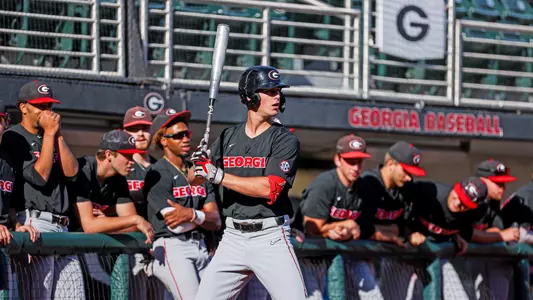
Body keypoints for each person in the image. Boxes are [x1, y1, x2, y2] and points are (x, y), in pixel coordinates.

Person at [190, 66, 307, 300]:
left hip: (270, 236)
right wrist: (198, 163)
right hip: (232, 237)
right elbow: (193, 179)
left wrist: (217, 175)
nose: (277, 97)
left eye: (278, 91)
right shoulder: (227, 137)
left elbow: (269, 189)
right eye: (269, 91)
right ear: (250, 96)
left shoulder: (285, 139)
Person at [1, 80, 85, 299]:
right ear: (23, 107)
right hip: (34, 223)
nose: (46, 111)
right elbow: (39, 177)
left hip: (63, 228)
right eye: (40, 105)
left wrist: (56, 134)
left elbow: (73, 173)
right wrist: (49, 134)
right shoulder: (14, 136)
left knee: (75, 295)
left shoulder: (51, 134)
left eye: (49, 105)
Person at [144, 108, 221, 300]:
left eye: (187, 134)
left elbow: (216, 220)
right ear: (163, 140)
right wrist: (200, 215)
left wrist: (191, 214)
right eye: (178, 135)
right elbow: (175, 224)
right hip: (173, 247)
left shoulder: (197, 172)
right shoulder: (157, 172)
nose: (185, 139)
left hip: (201, 245)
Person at [300, 134, 388, 300]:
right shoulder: (325, 184)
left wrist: (352, 230)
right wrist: (341, 226)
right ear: (338, 160)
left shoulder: (364, 188)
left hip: (343, 255)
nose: (355, 167)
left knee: (373, 296)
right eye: (350, 161)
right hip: (309, 258)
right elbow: (311, 228)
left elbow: (364, 229)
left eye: (359, 161)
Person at [405, 176, 489, 300]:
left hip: (438, 257)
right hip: (405, 254)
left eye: (464, 204)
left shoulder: (476, 212)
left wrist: (457, 236)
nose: (457, 204)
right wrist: (408, 232)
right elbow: (400, 205)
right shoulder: (429, 192)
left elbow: (463, 229)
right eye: (457, 196)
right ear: (455, 187)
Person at [72, 129, 154, 241]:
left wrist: (105, 224)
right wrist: (135, 219)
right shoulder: (84, 169)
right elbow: (90, 226)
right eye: (127, 156)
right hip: (59, 237)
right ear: (109, 155)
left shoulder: (119, 178)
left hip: (85, 244)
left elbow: (133, 227)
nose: (132, 161)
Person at [121, 106, 162, 300]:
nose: (140, 134)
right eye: (134, 128)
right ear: (124, 132)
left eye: (145, 128)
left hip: (160, 245)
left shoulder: (161, 168)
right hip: (130, 246)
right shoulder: (122, 168)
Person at [469, 159, 519, 300]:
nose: (502, 188)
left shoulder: (492, 202)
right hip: (453, 260)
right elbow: (467, 234)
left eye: (503, 184)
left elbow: (497, 228)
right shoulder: (470, 198)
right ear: (482, 180)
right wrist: (500, 235)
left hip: (476, 261)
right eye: (498, 184)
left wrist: (492, 234)